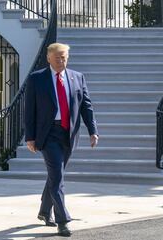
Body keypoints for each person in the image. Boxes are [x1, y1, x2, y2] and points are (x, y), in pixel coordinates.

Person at [25, 43, 99, 236]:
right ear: (49, 58)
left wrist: (93, 131)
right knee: (57, 177)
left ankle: (43, 210)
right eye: (57, 57)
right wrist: (30, 137)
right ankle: (63, 220)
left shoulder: (77, 78)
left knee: (54, 175)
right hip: (48, 134)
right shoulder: (37, 79)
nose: (61, 60)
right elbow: (29, 110)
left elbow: (86, 106)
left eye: (64, 57)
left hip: (69, 134)